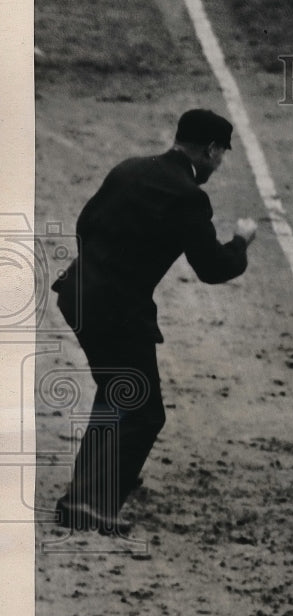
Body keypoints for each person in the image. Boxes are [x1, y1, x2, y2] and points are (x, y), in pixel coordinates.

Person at [51, 109, 258, 535]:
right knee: (143, 411)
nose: (218, 166)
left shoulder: (129, 169)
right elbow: (213, 268)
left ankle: (83, 498)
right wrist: (240, 242)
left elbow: (85, 224)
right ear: (211, 149)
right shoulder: (188, 196)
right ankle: (94, 506)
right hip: (117, 311)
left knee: (117, 393)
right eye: (220, 156)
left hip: (77, 294)